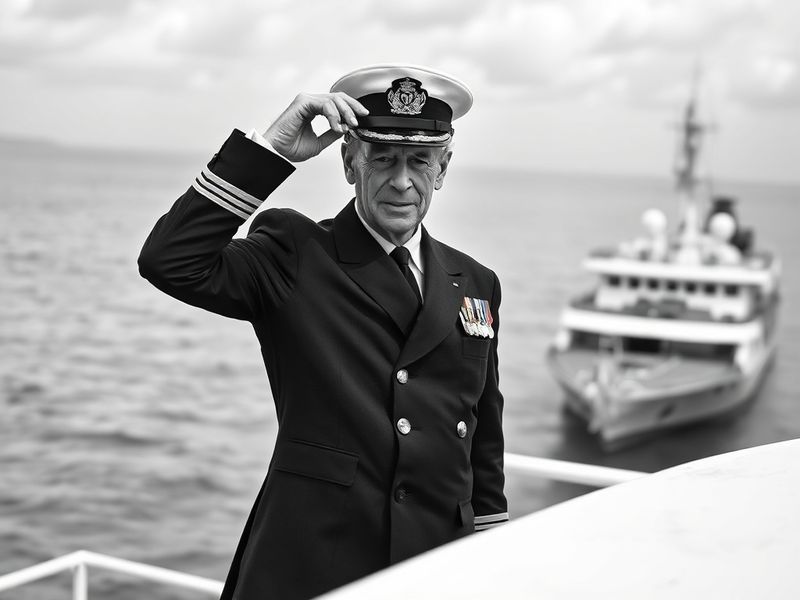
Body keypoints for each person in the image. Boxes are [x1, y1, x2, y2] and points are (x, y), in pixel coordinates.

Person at [138, 64, 508, 600]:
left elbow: (484, 434)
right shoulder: (295, 252)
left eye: (420, 161)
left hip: (434, 565)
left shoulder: (475, 282)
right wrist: (271, 152)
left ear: (443, 168)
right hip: (315, 563)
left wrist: (491, 553)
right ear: (349, 161)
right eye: (383, 158)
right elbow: (171, 261)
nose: (402, 181)